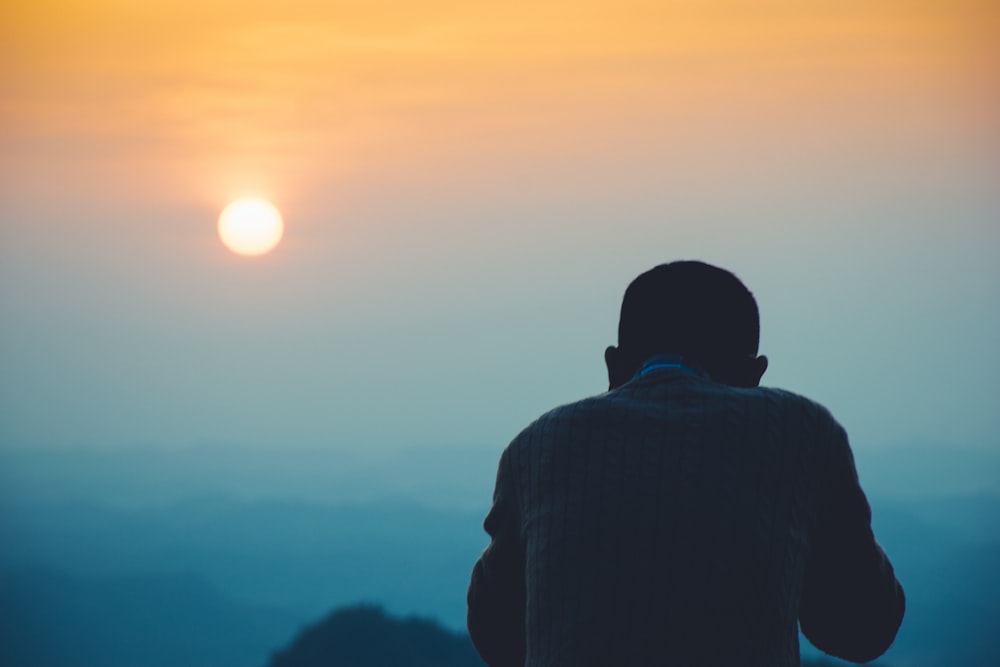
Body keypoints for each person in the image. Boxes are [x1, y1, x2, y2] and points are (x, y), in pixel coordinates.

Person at [466, 260, 905, 667]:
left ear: (613, 366)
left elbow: (498, 637)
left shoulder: (535, 447)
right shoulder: (803, 433)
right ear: (755, 376)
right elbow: (862, 630)